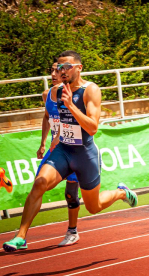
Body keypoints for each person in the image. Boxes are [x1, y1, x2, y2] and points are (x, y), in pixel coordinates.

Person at [3, 50, 138, 252]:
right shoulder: (56, 91)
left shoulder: (90, 90)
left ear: (79, 68)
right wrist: (50, 141)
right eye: (58, 67)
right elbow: (56, 120)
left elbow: (92, 127)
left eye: (66, 66)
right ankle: (20, 236)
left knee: (93, 207)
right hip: (64, 151)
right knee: (39, 183)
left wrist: (70, 105)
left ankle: (120, 193)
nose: (61, 70)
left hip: (85, 155)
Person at [35, 60, 81, 246]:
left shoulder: (72, 92)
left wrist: (60, 136)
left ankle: (72, 231)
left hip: (73, 148)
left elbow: (72, 120)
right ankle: (21, 235)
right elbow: (47, 118)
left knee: (72, 195)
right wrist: (43, 143)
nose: (54, 74)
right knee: (38, 186)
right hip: (56, 149)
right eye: (52, 70)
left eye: (58, 70)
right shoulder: (48, 94)